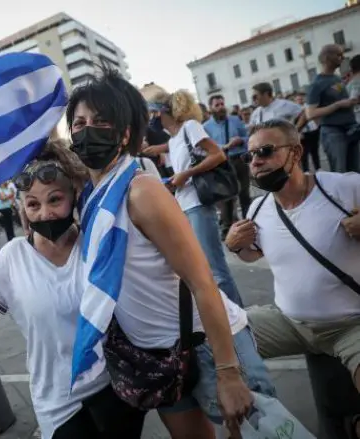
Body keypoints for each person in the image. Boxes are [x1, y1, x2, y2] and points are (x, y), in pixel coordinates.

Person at [66, 70, 273, 438]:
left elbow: (202, 280)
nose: (86, 131)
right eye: (78, 123)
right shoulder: (92, 195)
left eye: (100, 122)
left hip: (206, 346)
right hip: (157, 358)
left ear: (125, 133)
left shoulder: (140, 191)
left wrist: (228, 372)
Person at [0, 140, 146, 439]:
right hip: (59, 400)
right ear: (23, 206)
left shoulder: (97, 242)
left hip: (115, 387)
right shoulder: (13, 257)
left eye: (54, 200)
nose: (44, 213)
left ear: (74, 196)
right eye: (33, 203)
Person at [224, 118, 360, 439]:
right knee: (216, 342)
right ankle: (251, 428)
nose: (256, 162)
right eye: (250, 156)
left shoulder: (341, 188)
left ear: (296, 153)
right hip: (290, 323)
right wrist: (235, 246)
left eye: (266, 151)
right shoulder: (258, 208)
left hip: (351, 325)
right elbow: (252, 253)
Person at [149, 89, 244, 307]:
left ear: (165, 112)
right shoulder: (173, 140)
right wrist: (175, 180)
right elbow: (182, 169)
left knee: (216, 268)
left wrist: (187, 174)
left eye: (154, 114)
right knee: (204, 267)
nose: (153, 119)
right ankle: (229, 315)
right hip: (185, 206)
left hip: (198, 205)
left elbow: (217, 154)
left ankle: (240, 316)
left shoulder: (190, 127)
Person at [306, 44, 360, 173]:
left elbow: (340, 100)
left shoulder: (337, 78)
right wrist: (338, 105)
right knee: (340, 172)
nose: (342, 57)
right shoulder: (316, 84)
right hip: (333, 132)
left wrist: (353, 101)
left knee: (356, 173)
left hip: (351, 129)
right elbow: (310, 113)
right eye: (338, 54)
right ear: (326, 57)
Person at [204, 95, 251, 238]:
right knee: (226, 195)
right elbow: (205, 147)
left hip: (240, 160)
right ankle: (227, 227)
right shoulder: (206, 127)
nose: (221, 107)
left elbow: (248, 138)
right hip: (221, 163)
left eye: (222, 104)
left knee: (244, 193)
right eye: (217, 105)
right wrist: (223, 147)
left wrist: (240, 140)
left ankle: (250, 222)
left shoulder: (236, 120)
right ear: (211, 108)